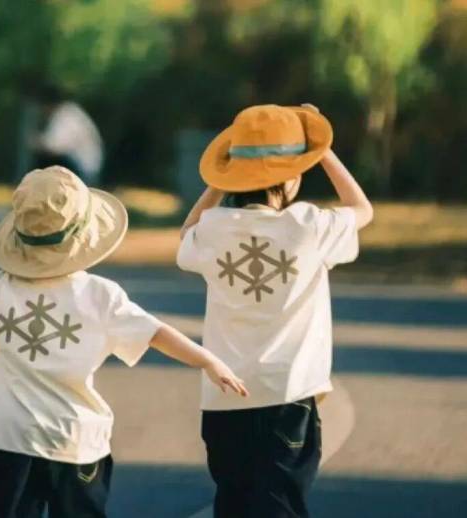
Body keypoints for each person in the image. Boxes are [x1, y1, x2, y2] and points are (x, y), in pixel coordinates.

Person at [0, 165, 248, 518]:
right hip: (75, 441)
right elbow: (157, 333)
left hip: (4, 439)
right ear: (85, 236)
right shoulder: (100, 295)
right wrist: (208, 360)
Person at [177, 104, 373, 518]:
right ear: (291, 178)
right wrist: (323, 150)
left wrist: (220, 180)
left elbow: (186, 232)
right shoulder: (308, 226)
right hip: (288, 398)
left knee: (232, 507)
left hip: (223, 401)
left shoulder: (213, 228)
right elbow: (362, 209)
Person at [26, 85, 104, 186]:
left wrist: (36, 142)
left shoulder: (66, 116)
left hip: (81, 168)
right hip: (84, 167)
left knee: (45, 158)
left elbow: (56, 148)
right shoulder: (70, 112)